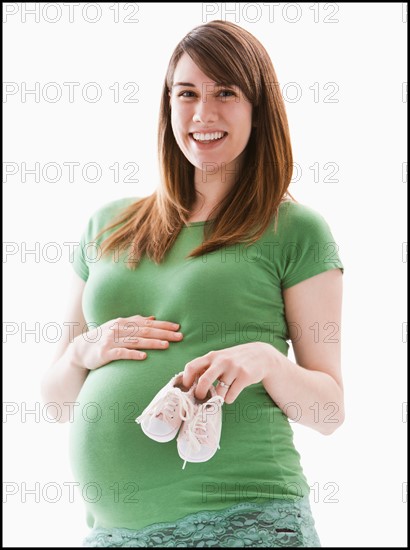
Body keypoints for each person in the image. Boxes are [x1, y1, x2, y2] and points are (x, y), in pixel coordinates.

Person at [41, 19, 345, 548]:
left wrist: (269, 361)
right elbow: (55, 401)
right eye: (187, 93)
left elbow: (329, 412)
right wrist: (79, 356)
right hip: (114, 536)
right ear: (168, 105)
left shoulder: (295, 230)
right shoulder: (105, 226)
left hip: (245, 525)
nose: (203, 114)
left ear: (258, 108)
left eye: (226, 92)